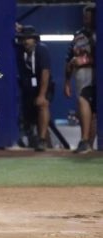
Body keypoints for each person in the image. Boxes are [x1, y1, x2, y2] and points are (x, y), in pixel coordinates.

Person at [15, 26, 54, 151]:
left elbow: (45, 73)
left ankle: (42, 140)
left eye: (29, 38)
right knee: (32, 119)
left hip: (44, 86)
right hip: (28, 89)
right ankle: (47, 145)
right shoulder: (20, 51)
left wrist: (42, 95)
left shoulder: (42, 50)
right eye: (24, 38)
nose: (26, 41)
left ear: (35, 39)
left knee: (43, 105)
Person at [64, 5, 96, 154]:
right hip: (79, 75)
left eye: (89, 16)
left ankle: (86, 141)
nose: (87, 19)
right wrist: (67, 81)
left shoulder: (98, 33)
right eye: (85, 16)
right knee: (84, 106)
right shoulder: (78, 35)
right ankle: (86, 143)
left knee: (86, 103)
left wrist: (84, 60)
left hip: (93, 75)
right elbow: (69, 57)